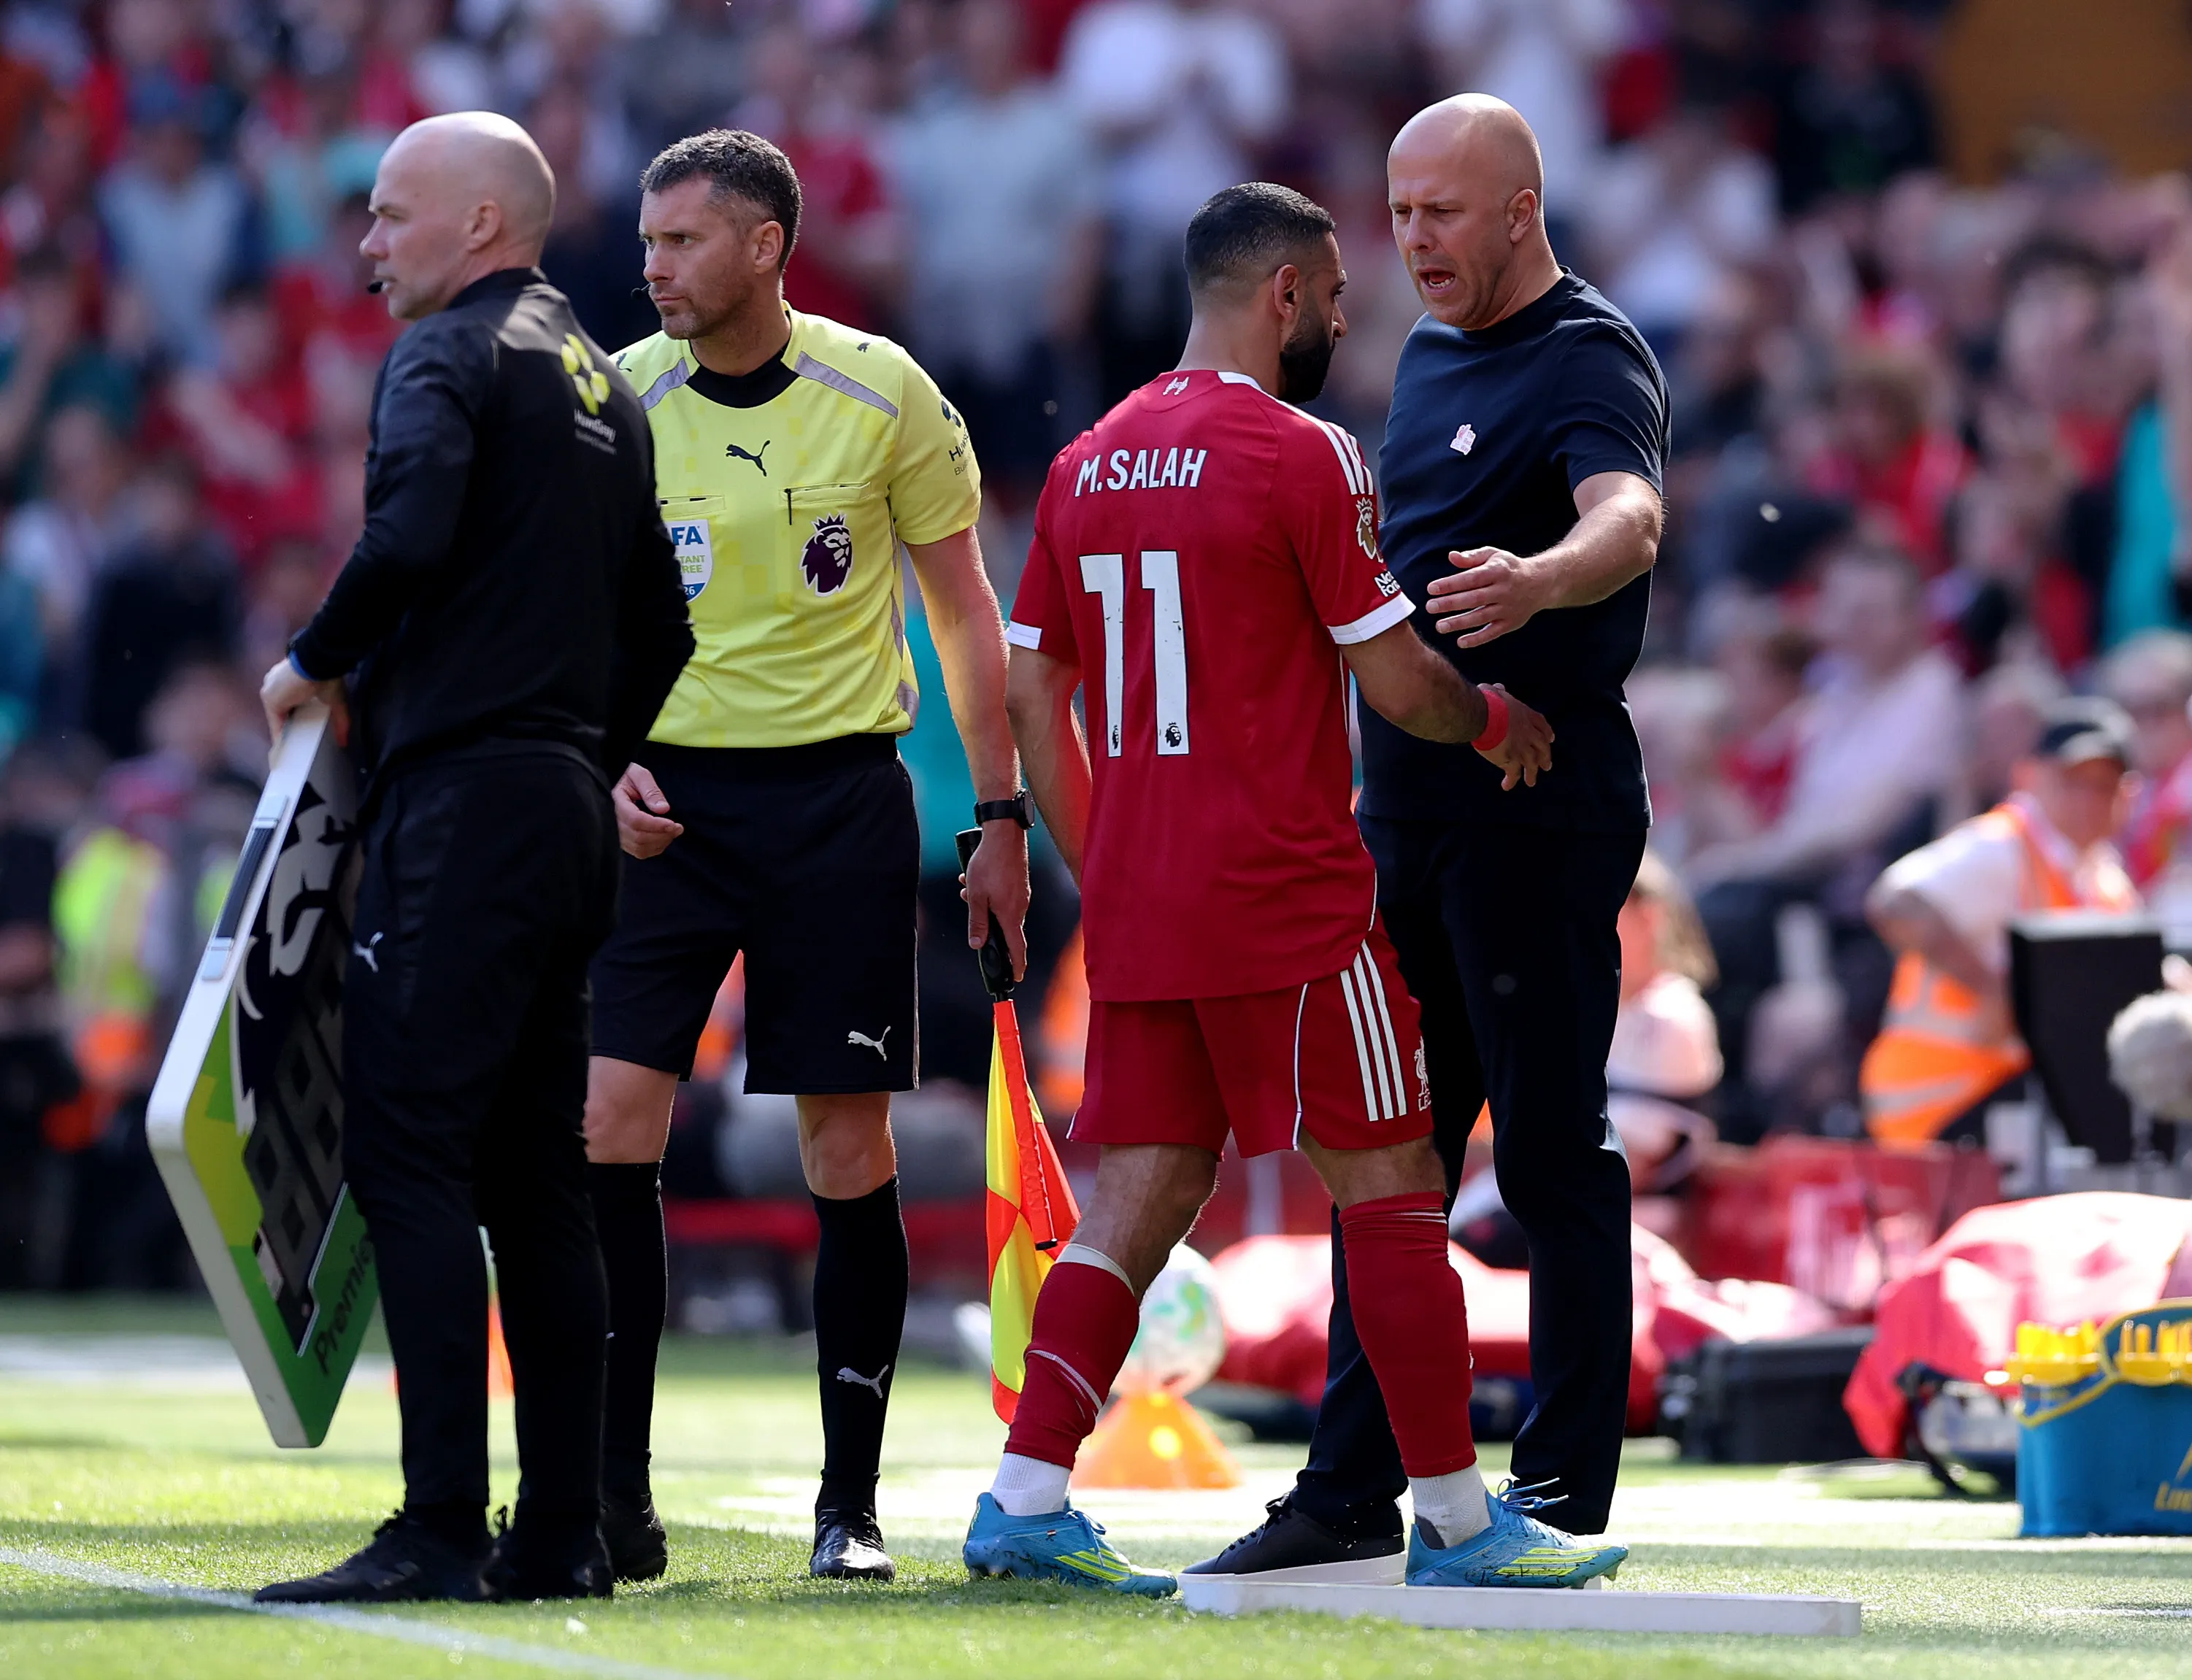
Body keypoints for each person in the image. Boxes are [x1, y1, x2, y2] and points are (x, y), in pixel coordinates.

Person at [965, 181, 1625, 1598]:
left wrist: (1100, 859)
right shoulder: (1301, 453)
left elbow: (1030, 680)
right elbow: (1391, 674)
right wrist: (1496, 721)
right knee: (1392, 1183)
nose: (1341, 315)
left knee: (1135, 1198)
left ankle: (1020, 1499)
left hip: (1145, 908)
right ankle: (1453, 1520)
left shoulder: (1083, 462)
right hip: (1293, 897)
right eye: (1330, 294)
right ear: (1279, 293)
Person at [1199, 96, 1668, 1583]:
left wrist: (1538, 581)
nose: (1412, 239)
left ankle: (1562, 1486)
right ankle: (1351, 1487)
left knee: (1542, 1149)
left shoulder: (1587, 350)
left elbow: (1632, 517)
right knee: (1379, 1153)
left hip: (1537, 795)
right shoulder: (1426, 358)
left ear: (1519, 210)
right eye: (1398, 213)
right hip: (1404, 802)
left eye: (1442, 212)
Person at [253, 112, 694, 1604]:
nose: (368, 246)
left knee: (407, 1153)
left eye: (388, 216)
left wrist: (313, 658)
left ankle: (439, 1521)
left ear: (480, 224)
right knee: (536, 1181)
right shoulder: (606, 385)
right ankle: (560, 1530)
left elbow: (411, 526)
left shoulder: (446, 353)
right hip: (566, 810)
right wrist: (573, 742)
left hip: (466, 810)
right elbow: (667, 628)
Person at [585, 128, 1028, 1586]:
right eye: (647, 241)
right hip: (665, 807)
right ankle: (613, 1488)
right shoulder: (617, 397)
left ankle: (851, 1503)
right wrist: (603, 761)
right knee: (609, 1124)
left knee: (848, 1144)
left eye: (683, 241)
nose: (654, 266)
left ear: (766, 246)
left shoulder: (882, 389)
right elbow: (563, 615)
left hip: (839, 802)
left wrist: (999, 818)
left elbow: (968, 616)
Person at [1861, 698, 2139, 1151]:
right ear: (2032, 778)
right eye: (2073, 782)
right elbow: (1894, 902)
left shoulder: (2103, 878)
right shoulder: (2000, 847)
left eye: (2104, 786)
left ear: (2129, 794)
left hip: (2010, 1100)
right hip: (1945, 1102)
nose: (2088, 799)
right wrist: (1999, 991)